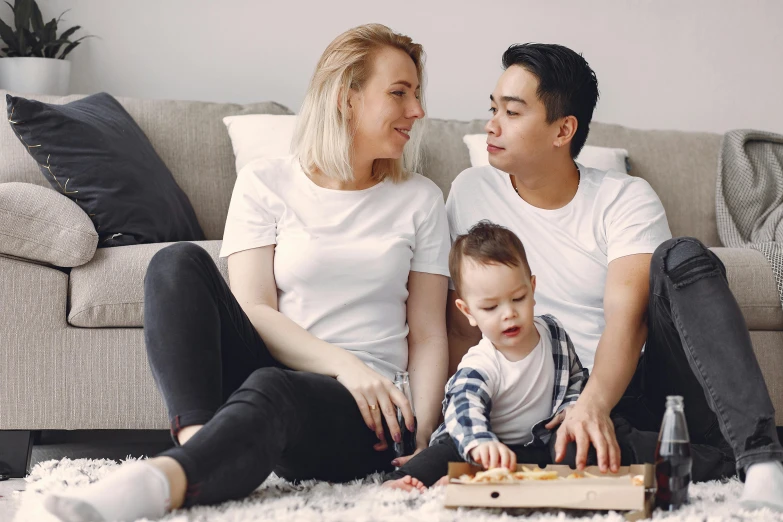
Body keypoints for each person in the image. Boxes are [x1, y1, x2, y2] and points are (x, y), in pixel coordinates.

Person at [42, 24, 451, 522]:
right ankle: (200, 449)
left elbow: (430, 334)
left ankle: (165, 481)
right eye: (399, 93)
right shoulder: (266, 181)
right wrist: (343, 363)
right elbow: (254, 308)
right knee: (176, 262)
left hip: (369, 411)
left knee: (276, 387)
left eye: (416, 94)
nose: (418, 110)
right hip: (287, 373)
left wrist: (425, 440)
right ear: (347, 97)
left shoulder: (421, 199)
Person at [445, 42, 783, 511]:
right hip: (546, 407)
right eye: (493, 108)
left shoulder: (625, 198)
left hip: (636, 387)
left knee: (680, 254)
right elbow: (461, 321)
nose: (491, 125)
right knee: (558, 453)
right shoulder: (470, 191)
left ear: (563, 129)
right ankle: (708, 460)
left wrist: (593, 405)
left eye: (513, 112)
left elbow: (629, 320)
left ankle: (764, 462)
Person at [383, 221, 590, 491]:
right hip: (475, 441)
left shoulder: (553, 334)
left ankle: (478, 475)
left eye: (518, 298)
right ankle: (406, 479)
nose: (508, 314)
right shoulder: (481, 363)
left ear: (533, 288)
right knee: (444, 451)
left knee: (566, 454)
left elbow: (576, 376)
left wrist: (571, 407)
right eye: (491, 307)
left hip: (532, 443)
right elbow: (462, 408)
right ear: (468, 311)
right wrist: (481, 443)